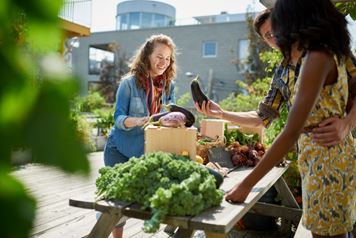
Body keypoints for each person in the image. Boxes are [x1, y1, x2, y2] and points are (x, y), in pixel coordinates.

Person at [223, 0, 355, 237]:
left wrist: (246, 185)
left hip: (327, 160)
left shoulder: (317, 57)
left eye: (279, 23)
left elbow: (291, 131)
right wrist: (221, 113)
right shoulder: (312, 55)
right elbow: (264, 116)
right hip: (318, 158)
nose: (276, 34)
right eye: (267, 35)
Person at [103, 34, 177, 238]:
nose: (163, 62)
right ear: (147, 56)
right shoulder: (129, 83)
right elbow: (118, 117)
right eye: (159, 56)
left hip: (146, 151)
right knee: (118, 202)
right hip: (119, 149)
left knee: (154, 196)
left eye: (168, 58)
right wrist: (135, 121)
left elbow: (171, 114)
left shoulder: (169, 86)